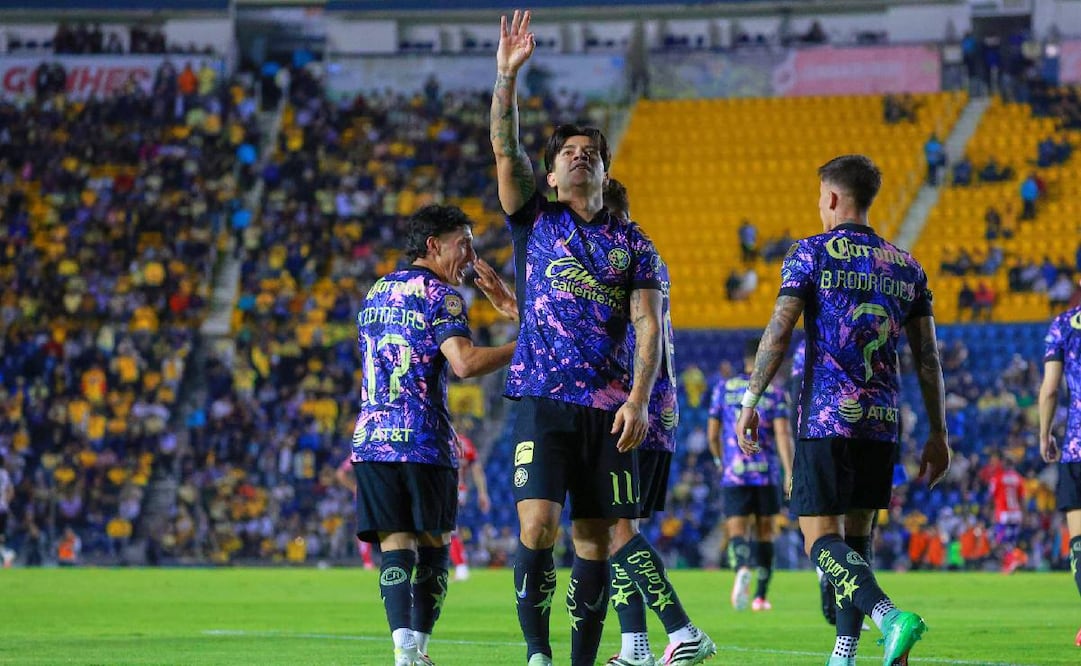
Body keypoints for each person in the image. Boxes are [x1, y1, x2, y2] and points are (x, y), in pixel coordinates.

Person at [491, 11, 666, 666]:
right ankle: (537, 655)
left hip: (608, 406)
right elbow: (505, 151)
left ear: (603, 169)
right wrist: (505, 80)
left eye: (589, 150)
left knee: (594, 540)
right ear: (553, 177)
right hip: (541, 398)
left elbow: (647, 325)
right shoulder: (533, 219)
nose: (579, 154)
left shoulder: (632, 243)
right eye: (567, 152)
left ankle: (581, 661)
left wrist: (641, 399)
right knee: (537, 525)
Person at [735, 154, 951, 666]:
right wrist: (938, 434)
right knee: (858, 538)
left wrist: (751, 399)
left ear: (831, 198)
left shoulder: (809, 253)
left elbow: (780, 330)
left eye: (819, 199)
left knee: (819, 539)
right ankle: (845, 652)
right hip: (881, 423)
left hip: (825, 418)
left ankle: (889, 617)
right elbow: (928, 357)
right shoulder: (906, 265)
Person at [351, 204, 518, 666]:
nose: (470, 253)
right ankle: (420, 647)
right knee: (434, 545)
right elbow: (463, 364)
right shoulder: (441, 295)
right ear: (434, 245)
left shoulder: (375, 291)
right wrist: (521, 346)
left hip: (372, 439)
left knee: (394, 545)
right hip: (424, 441)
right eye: (463, 242)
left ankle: (405, 653)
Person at [603, 179, 715, 666]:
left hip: (632, 402)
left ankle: (682, 629)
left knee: (614, 528)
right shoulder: (648, 252)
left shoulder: (617, 252)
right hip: (657, 405)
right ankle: (636, 647)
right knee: (618, 527)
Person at [708, 337, 793, 612]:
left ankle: (742, 568)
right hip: (767, 473)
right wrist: (789, 471)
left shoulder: (724, 388)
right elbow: (783, 433)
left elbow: (712, 434)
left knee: (737, 530)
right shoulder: (776, 391)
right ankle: (760, 597)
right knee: (766, 533)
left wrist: (721, 460)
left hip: (734, 473)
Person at [1037, 299, 1081, 647]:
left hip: (1077, 449)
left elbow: (1051, 388)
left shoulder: (1065, 324)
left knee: (1079, 543)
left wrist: (1044, 433)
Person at [451, 425, 491, 581]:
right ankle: (460, 566)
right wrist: (482, 493)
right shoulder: (466, 443)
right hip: (460, 490)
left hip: (448, 488)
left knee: (449, 529)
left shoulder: (443, 438)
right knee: (449, 528)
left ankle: (461, 567)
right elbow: (477, 470)